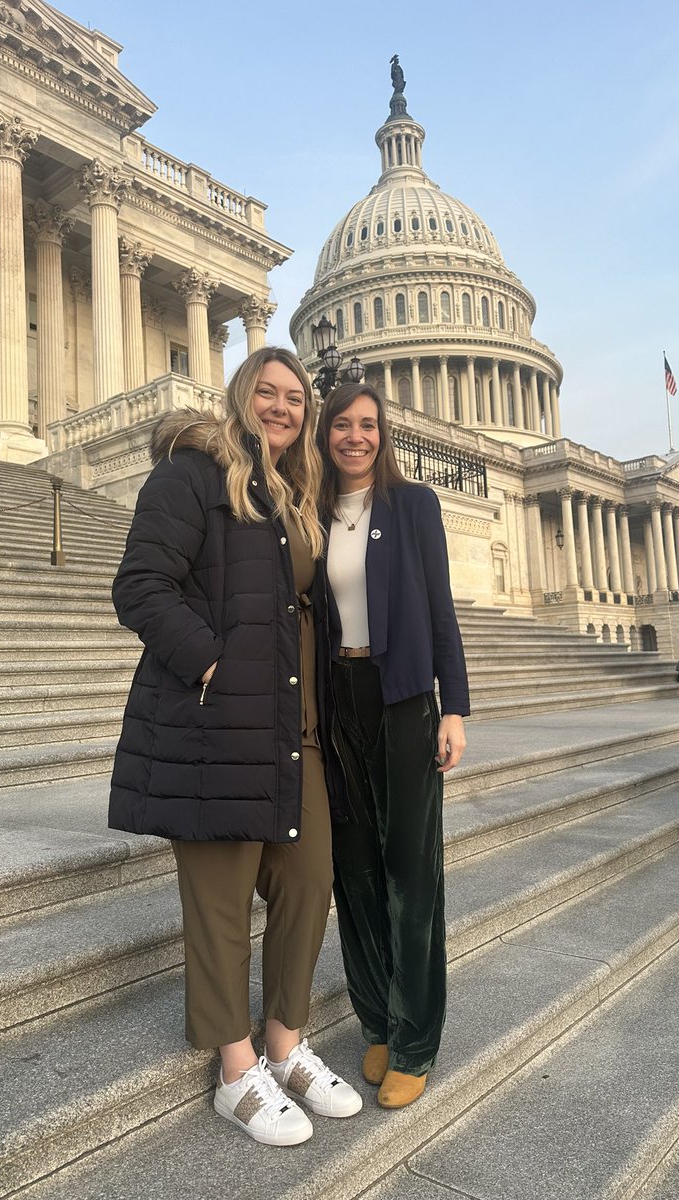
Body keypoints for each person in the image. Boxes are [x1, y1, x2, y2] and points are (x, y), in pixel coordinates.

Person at [109, 347, 361, 1147]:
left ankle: (286, 1045)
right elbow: (140, 583)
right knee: (219, 904)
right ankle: (235, 1069)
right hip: (218, 723)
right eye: (268, 393)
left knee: (310, 879)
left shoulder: (295, 495)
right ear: (241, 395)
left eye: (294, 397)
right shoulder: (192, 473)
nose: (282, 407)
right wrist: (214, 660)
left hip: (296, 728)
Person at [316, 382, 470, 1110]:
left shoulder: (414, 507)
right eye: (343, 424)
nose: (356, 436)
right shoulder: (311, 512)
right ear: (326, 433)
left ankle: (415, 1037)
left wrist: (454, 709)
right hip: (336, 699)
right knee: (355, 873)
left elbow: (441, 609)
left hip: (404, 695)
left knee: (411, 876)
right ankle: (375, 1018)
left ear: (385, 433)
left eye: (368, 425)